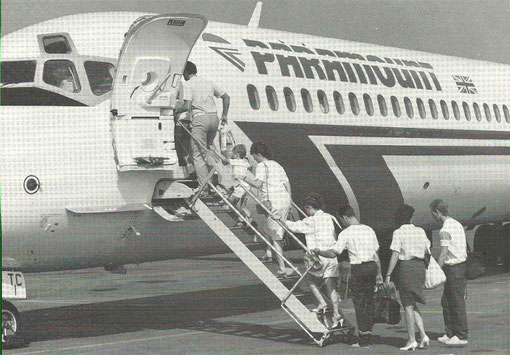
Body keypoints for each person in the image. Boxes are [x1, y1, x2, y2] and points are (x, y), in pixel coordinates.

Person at [314, 205, 383, 348]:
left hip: (359, 268)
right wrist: (379, 273)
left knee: (359, 302)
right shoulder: (369, 229)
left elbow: (334, 253)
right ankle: (367, 334)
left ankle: (364, 339)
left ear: (345, 217)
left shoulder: (346, 233)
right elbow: (376, 255)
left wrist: (318, 251)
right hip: (371, 267)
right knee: (369, 301)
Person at [281, 194, 349, 329]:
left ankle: (322, 303)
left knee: (309, 280)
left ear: (309, 207)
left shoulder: (311, 221)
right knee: (331, 286)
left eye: (306, 209)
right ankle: (336, 314)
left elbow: (294, 227)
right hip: (331, 255)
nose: (306, 212)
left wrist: (281, 220)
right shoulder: (331, 217)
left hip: (317, 257)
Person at [174, 61, 230, 193]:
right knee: (208, 150)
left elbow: (187, 106)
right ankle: (215, 181)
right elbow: (226, 97)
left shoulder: (188, 84)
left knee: (198, 155)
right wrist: (225, 115)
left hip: (201, 119)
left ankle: (203, 187)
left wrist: (176, 111)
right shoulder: (208, 82)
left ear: (186, 72)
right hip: (214, 118)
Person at [240, 141, 293, 278]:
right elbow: (287, 184)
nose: (253, 159)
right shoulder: (277, 165)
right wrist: (290, 201)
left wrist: (243, 177)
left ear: (258, 154)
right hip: (285, 199)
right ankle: (269, 253)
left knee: (275, 234)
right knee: (269, 228)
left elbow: (257, 184)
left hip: (272, 202)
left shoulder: (261, 166)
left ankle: (283, 267)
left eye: (254, 156)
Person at [385, 204, 431, 351]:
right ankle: (423, 335)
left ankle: (412, 340)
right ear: (411, 217)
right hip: (419, 267)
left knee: (408, 305)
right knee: (412, 303)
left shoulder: (398, 232)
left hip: (407, 268)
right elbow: (427, 249)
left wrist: (388, 274)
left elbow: (395, 254)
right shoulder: (420, 231)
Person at [430, 199, 468, 346]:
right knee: (447, 301)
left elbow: (443, 253)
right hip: (459, 266)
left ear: (437, 212)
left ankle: (461, 335)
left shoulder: (444, 230)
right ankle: (450, 333)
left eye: (433, 213)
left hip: (454, 268)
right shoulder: (456, 224)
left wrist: (435, 271)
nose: (433, 216)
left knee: (456, 303)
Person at [227, 144, 254, 228]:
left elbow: (225, 160)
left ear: (237, 155)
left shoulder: (237, 161)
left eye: (233, 154)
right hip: (247, 187)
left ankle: (241, 219)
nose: (232, 156)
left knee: (230, 204)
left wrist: (212, 150)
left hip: (240, 187)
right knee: (243, 207)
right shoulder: (245, 162)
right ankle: (249, 218)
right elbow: (251, 165)